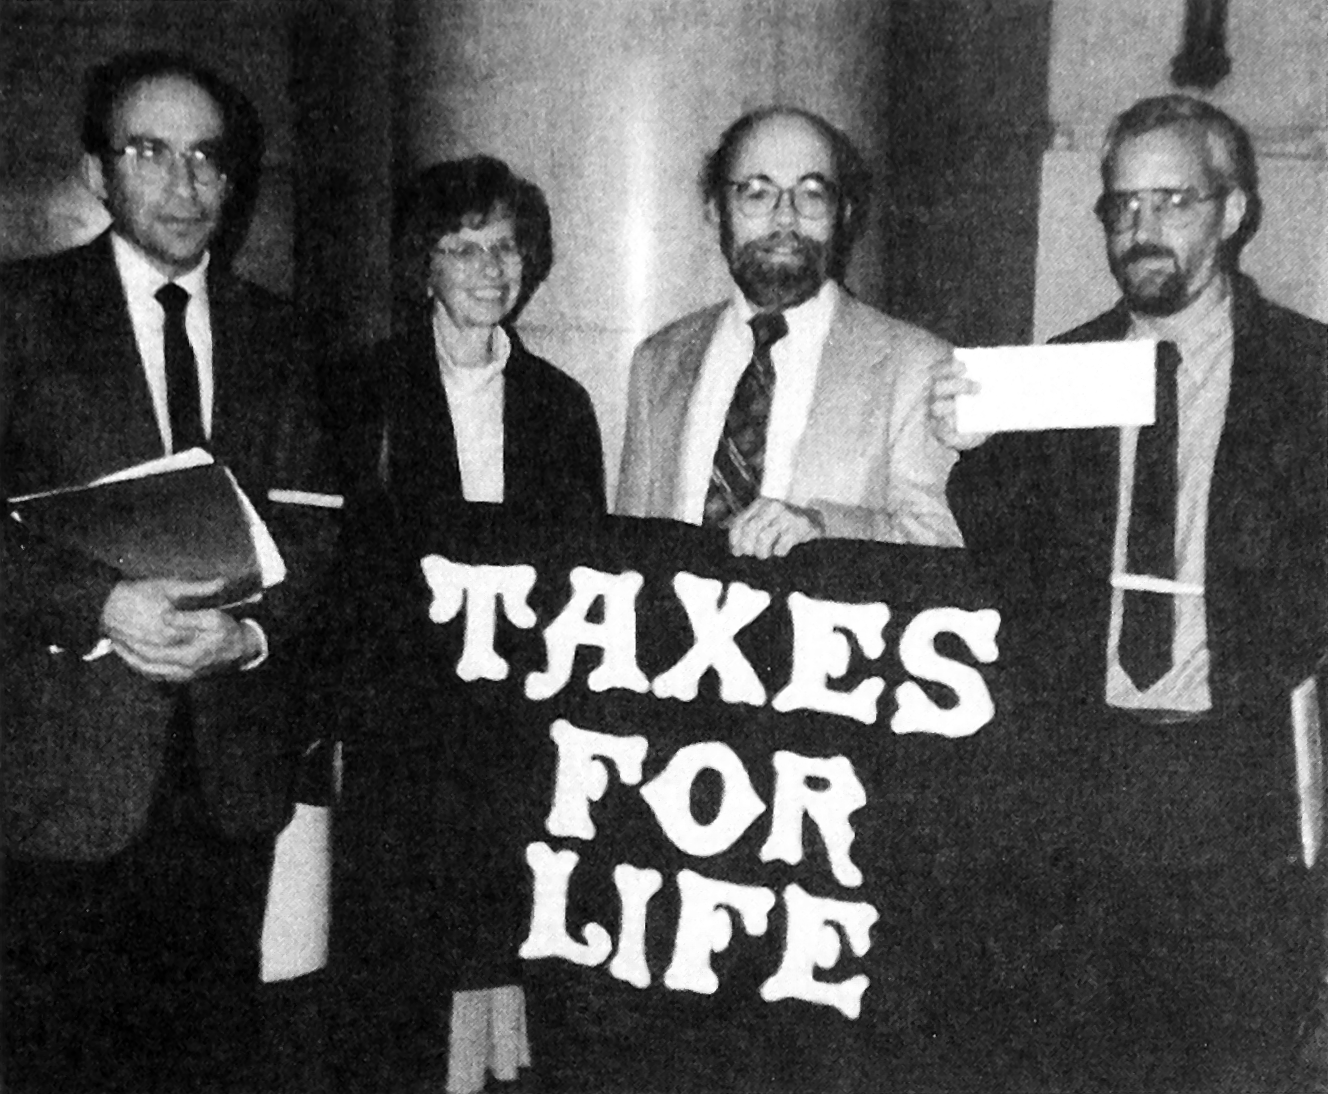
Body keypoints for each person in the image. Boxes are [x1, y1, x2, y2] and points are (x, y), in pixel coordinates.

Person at [934, 94, 1328, 1084]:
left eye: (1169, 201)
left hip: (1232, 783)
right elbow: (995, 569)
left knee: (1228, 1060)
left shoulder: (1310, 377)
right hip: (1079, 779)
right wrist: (968, 449)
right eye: (1118, 206)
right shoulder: (1052, 373)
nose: (1138, 230)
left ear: (1231, 210)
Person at [1, 50, 330, 1093]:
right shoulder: (18, 314)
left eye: (206, 159)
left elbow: (320, 527)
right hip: (64, 776)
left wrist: (256, 632)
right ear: (98, 173)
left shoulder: (280, 333)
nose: (185, 185)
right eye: (150, 152)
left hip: (226, 773)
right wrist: (99, 602)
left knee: (211, 1062)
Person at [327, 155, 605, 1094]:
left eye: (505, 248)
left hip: (515, 730)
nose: (490, 270)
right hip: (402, 733)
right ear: (424, 265)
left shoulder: (562, 406)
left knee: (506, 951)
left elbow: (583, 580)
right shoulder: (361, 393)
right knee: (399, 977)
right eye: (462, 248)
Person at [616, 105, 961, 557]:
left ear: (844, 214)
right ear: (716, 210)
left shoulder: (916, 367)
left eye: (812, 193)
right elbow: (625, 547)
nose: (785, 218)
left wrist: (823, 530)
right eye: (756, 193)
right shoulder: (658, 361)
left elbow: (941, 542)